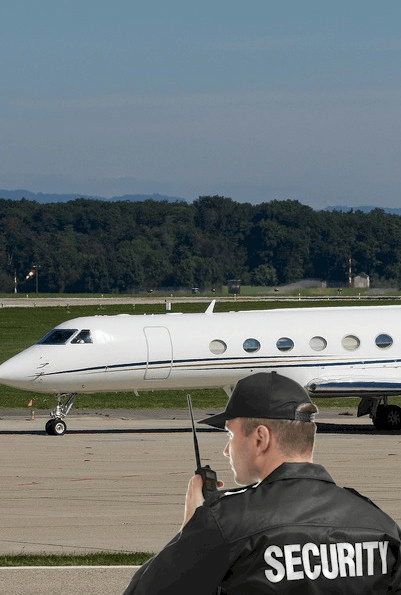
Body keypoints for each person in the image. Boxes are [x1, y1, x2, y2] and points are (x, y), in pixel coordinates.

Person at [122, 372, 401, 594]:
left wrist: (190, 528)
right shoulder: (379, 525)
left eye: (231, 436)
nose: (226, 451)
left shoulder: (225, 524)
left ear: (260, 438)